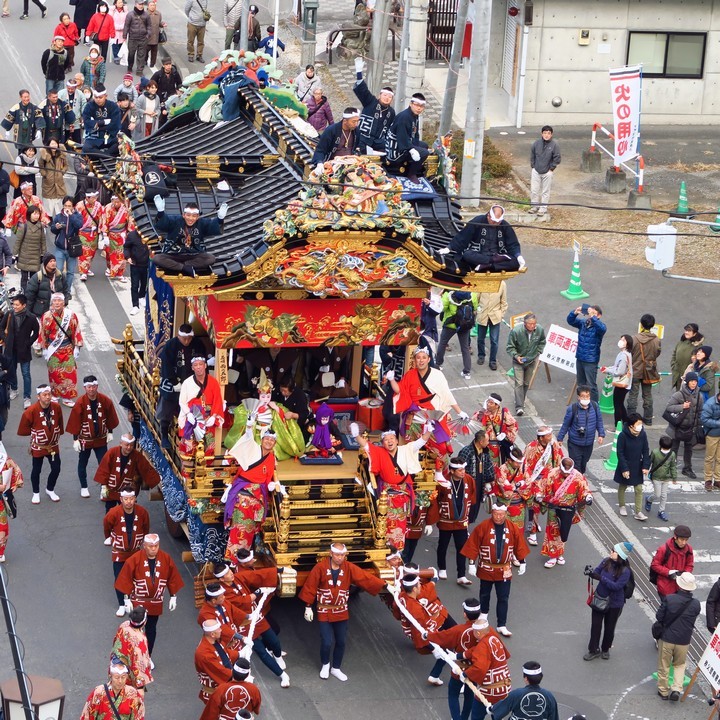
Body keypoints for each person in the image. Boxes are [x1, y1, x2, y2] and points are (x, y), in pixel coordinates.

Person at [299, 542, 386, 681]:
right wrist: (308, 606)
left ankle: (336, 668)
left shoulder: (348, 567)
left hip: (341, 610)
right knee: (326, 641)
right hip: (324, 609)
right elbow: (311, 586)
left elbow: (364, 577)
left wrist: (383, 584)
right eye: (338, 555)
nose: (340, 558)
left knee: (341, 641)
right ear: (331, 554)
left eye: (343, 555)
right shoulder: (320, 567)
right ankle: (325, 664)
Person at [353, 424, 430, 551]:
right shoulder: (379, 451)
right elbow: (366, 445)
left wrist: (429, 431)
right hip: (387, 494)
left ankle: (398, 550)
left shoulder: (406, 449)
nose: (389, 442)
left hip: (403, 492)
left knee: (401, 522)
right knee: (386, 522)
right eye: (386, 440)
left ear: (396, 440)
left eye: (392, 439)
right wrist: (356, 435)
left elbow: (420, 442)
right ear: (383, 443)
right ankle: (386, 548)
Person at [462, 502, 529, 637]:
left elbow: (519, 545)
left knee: (503, 597)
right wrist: (471, 563)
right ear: (492, 513)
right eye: (496, 514)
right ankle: (484, 615)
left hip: (504, 569)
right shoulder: (483, 527)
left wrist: (522, 562)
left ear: (505, 514)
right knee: (484, 594)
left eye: (501, 514)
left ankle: (501, 624)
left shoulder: (512, 527)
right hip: (486, 567)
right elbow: (473, 544)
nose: (498, 517)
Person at [115, 533, 183, 656]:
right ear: (144, 546)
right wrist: (126, 599)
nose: (153, 549)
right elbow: (125, 578)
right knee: (136, 629)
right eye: (150, 546)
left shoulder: (165, 558)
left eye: (156, 546)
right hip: (138, 600)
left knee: (151, 629)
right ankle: (134, 654)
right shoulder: (134, 559)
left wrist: (173, 596)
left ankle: (148, 655)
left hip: (156, 600)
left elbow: (172, 577)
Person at [395, 569, 456, 686]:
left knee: (447, 647)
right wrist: (433, 648)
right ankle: (436, 674)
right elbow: (420, 632)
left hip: (417, 627)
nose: (420, 587)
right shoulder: (415, 609)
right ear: (414, 589)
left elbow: (397, 611)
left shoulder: (402, 595)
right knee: (447, 648)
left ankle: (435, 674)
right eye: (418, 585)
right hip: (422, 631)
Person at [426, 597, 482, 720]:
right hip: (475, 667)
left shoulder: (458, 629)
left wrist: (427, 635)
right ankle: (464, 718)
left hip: (459, 667)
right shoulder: (486, 630)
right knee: (470, 694)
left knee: (453, 694)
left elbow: (442, 637)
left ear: (465, 614)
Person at [426, 457, 476, 586]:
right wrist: (431, 521)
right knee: (443, 545)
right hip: (446, 520)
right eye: (459, 470)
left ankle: (461, 575)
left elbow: (473, 496)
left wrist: (469, 514)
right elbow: (434, 500)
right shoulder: (442, 481)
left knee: (462, 548)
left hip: (461, 521)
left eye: (463, 469)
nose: (462, 472)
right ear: (452, 471)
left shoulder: (469, 480)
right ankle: (442, 568)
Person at [67, 375, 119, 497]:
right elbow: (75, 422)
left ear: (97, 386)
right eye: (89, 387)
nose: (91, 389)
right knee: (82, 463)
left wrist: (110, 432)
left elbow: (110, 416)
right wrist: (75, 440)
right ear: (85, 388)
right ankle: (84, 486)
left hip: (101, 439)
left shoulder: (105, 400)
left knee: (104, 464)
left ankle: (104, 487)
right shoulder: (80, 402)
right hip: (85, 439)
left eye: (94, 386)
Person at [156, 324, 207, 447]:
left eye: (189, 338)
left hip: (192, 383)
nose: (187, 341)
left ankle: (188, 437)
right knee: (167, 408)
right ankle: (164, 435)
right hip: (173, 383)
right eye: (184, 338)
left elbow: (202, 363)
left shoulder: (198, 344)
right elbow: (166, 364)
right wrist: (174, 382)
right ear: (178, 336)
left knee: (191, 410)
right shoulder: (171, 345)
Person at [583, 542, 634, 662]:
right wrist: (591, 573)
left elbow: (616, 587)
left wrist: (601, 578)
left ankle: (605, 649)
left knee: (609, 628)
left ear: (621, 555)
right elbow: (597, 572)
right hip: (600, 599)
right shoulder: (606, 561)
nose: (611, 552)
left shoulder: (626, 571)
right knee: (595, 626)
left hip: (615, 603)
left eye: (614, 551)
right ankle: (593, 650)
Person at [104, 486, 150, 616]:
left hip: (135, 550)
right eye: (126, 499)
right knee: (119, 578)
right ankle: (121, 604)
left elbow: (146, 528)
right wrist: (111, 538)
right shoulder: (114, 512)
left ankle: (134, 601)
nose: (128, 501)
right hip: (119, 551)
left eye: (131, 499)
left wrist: (143, 541)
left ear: (135, 499)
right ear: (121, 499)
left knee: (138, 577)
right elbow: (106, 526)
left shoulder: (142, 512)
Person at [537, 457, 591, 568]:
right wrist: (539, 495)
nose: (566, 475)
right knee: (552, 530)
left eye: (568, 473)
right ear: (560, 468)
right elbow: (541, 486)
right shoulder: (552, 473)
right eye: (564, 472)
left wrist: (588, 496)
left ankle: (560, 553)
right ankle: (552, 555)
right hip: (554, 507)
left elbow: (584, 490)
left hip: (568, 509)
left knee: (563, 531)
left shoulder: (578, 476)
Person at [656, 572, 701, 702]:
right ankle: (676, 688)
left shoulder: (669, 599)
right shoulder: (696, 604)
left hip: (667, 638)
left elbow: (659, 617)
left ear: (679, 584)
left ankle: (663, 691)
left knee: (664, 664)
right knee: (679, 665)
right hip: (684, 640)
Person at [152, 196, 224, 276]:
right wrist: (161, 212)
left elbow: (212, 225)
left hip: (193, 255)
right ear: (183, 215)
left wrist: (220, 219)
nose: (190, 218)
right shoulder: (175, 221)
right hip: (174, 254)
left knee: (211, 258)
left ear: (197, 217)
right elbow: (163, 224)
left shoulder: (202, 223)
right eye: (188, 215)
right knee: (157, 258)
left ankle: (183, 265)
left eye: (194, 216)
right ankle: (184, 268)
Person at [17, 383, 64, 504]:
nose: (48, 397)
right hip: (39, 446)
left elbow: (60, 422)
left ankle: (50, 489)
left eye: (49, 394)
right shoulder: (31, 410)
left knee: (56, 468)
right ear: (39, 396)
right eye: (44, 395)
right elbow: (23, 428)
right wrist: (35, 433)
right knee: (36, 470)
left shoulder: (56, 407)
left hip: (53, 446)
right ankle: (36, 492)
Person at [448, 205, 525, 273]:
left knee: (516, 262)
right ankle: (493, 262)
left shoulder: (505, 225)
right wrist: (449, 248)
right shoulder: (478, 221)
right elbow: (463, 236)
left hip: (498, 254)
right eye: (494, 221)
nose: (495, 223)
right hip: (480, 254)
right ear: (488, 215)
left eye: (498, 222)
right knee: (467, 255)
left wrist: (518, 256)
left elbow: (512, 244)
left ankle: (489, 266)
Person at [95, 433, 160, 512]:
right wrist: (103, 486)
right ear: (121, 443)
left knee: (127, 513)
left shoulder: (137, 456)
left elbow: (146, 469)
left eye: (131, 445)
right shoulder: (112, 452)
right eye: (127, 445)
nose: (129, 448)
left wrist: (158, 479)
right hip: (111, 489)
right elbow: (104, 468)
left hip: (128, 491)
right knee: (110, 511)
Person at [38, 292, 83, 407]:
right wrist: (44, 348)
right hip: (53, 349)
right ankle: (55, 395)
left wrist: (77, 347)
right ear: (51, 302)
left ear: (64, 303)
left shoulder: (71, 315)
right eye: (55, 301)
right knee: (54, 373)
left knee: (70, 373)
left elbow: (76, 330)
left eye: (59, 301)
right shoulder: (47, 316)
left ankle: (67, 397)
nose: (57, 303)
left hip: (67, 349)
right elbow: (42, 332)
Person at [522, 426, 564, 545]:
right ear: (541, 438)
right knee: (534, 507)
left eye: (551, 435)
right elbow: (525, 466)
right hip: (535, 482)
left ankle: (533, 524)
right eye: (548, 435)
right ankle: (533, 533)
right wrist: (531, 481)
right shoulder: (531, 447)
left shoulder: (554, 446)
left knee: (545, 507)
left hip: (549, 482)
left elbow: (559, 462)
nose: (551, 437)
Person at [462, 618, 511, 719]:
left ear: (478, 633)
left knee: (476, 715)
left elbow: (479, 668)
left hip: (490, 690)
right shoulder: (495, 639)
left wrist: (465, 674)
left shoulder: (483, 646)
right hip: (505, 686)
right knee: (496, 716)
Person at [178, 355, 224, 453]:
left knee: (209, 448)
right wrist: (188, 414)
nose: (198, 367)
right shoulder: (187, 382)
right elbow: (182, 401)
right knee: (189, 450)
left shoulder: (213, 382)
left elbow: (218, 401)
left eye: (201, 364)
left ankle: (207, 465)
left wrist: (214, 416)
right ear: (192, 367)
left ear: (205, 366)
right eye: (195, 365)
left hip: (208, 419)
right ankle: (188, 466)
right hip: (192, 418)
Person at [556, 385, 605, 473]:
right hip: (575, 443)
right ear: (579, 397)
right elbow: (566, 424)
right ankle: (576, 483)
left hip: (588, 443)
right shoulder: (573, 408)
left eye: (588, 396)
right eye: (583, 396)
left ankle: (579, 479)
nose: (586, 398)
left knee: (583, 464)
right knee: (576, 466)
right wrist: (560, 438)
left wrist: (601, 434)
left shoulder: (594, 406)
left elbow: (599, 421)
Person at [663, 372, 703, 479]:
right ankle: (671, 469)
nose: (693, 383)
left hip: (690, 428)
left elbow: (699, 413)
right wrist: (682, 406)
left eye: (695, 381)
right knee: (674, 449)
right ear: (687, 382)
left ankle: (687, 469)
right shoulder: (679, 394)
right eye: (691, 381)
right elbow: (668, 407)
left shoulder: (699, 396)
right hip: (677, 427)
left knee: (689, 449)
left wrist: (698, 427)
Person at [1, 294, 38, 410]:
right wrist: (5, 339)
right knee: (11, 371)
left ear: (24, 305)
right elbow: (1, 327)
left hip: (24, 350)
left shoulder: (31, 317)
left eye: (17, 305)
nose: (14, 307)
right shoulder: (9, 314)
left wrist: (29, 342)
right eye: (13, 304)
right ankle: (14, 389)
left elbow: (36, 332)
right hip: (10, 349)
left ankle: (27, 397)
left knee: (26, 374)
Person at [506, 313, 546, 416]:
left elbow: (542, 341)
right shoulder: (516, 331)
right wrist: (516, 356)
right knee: (519, 383)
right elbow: (510, 347)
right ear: (525, 324)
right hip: (518, 361)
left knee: (526, 383)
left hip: (531, 360)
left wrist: (538, 352)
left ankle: (521, 401)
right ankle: (519, 406)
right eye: (530, 324)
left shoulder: (539, 330)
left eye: (534, 324)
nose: (532, 326)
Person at [491, 660, 559, 720]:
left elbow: (497, 712)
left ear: (526, 678)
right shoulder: (549, 696)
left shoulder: (516, 694)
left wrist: (490, 709)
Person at [385, 93, 430, 184]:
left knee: (424, 146)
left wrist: (416, 146)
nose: (419, 108)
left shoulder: (415, 116)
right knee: (425, 153)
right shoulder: (404, 117)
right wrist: (412, 149)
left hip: (406, 141)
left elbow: (415, 134)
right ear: (411, 104)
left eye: (421, 106)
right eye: (416, 105)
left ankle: (412, 166)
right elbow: (402, 137)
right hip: (396, 148)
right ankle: (411, 174)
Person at [353, 59, 395, 152]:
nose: (386, 98)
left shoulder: (391, 112)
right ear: (379, 95)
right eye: (384, 95)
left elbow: (390, 128)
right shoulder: (371, 101)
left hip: (378, 142)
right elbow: (363, 90)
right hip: (363, 138)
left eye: (389, 97)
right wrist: (359, 73)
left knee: (390, 149)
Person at [613, 413, 650, 520]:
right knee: (623, 486)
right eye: (638, 424)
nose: (640, 426)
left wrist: (645, 466)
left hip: (637, 465)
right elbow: (620, 453)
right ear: (631, 425)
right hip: (625, 464)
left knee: (638, 488)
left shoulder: (642, 434)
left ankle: (638, 512)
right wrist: (624, 468)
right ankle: (622, 505)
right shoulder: (623, 436)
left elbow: (645, 450)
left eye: (641, 424)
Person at [434, 290, 478, 380]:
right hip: (464, 325)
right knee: (465, 347)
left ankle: (438, 364)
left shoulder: (448, 295)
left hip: (451, 324)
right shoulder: (472, 294)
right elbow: (475, 308)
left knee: (443, 343)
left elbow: (442, 308)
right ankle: (467, 371)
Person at [567, 304, 606, 403]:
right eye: (590, 312)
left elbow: (602, 329)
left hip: (591, 360)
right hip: (580, 357)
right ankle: (582, 403)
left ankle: (593, 406)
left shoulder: (599, 327)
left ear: (599, 316)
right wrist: (575, 312)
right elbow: (570, 321)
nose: (591, 315)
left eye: (594, 313)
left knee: (591, 386)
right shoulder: (583, 323)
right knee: (581, 384)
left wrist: (593, 317)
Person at [79, 661, 145, 720]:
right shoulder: (99, 692)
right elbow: (88, 715)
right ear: (110, 676)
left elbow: (138, 715)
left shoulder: (132, 693)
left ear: (127, 677)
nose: (120, 681)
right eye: (116, 677)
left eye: (123, 677)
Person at [627, 313, 661, 425]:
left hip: (635, 370)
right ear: (652, 325)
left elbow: (629, 353)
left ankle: (631, 418)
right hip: (649, 371)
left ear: (641, 324)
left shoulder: (634, 339)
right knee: (647, 395)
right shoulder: (656, 340)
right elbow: (657, 353)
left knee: (633, 395)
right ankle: (648, 418)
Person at [194, 619, 239, 703]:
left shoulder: (215, 641)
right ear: (212, 634)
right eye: (218, 629)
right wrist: (240, 676)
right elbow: (220, 671)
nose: (221, 630)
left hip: (224, 689)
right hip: (215, 695)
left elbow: (225, 653)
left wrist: (239, 654)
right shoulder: (204, 654)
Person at [111, 606, 153, 691]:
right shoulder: (141, 639)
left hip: (116, 663)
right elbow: (140, 662)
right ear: (144, 622)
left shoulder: (124, 624)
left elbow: (116, 640)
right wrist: (141, 686)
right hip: (128, 673)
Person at [459, 429, 496, 522]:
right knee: (467, 505)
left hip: (480, 483)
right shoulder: (466, 451)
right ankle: (464, 525)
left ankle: (468, 523)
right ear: (481, 441)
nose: (488, 443)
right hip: (468, 484)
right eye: (487, 441)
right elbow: (459, 469)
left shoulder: (484, 452)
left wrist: (488, 482)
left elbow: (488, 465)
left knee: (476, 505)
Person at [650, 524, 694, 599]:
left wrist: (685, 573)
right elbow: (654, 565)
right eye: (682, 539)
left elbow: (689, 564)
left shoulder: (689, 549)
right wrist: (668, 572)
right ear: (675, 537)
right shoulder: (663, 549)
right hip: (665, 587)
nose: (684, 543)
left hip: (681, 587)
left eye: (686, 540)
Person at [473, 393, 518, 467]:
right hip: (485, 444)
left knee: (498, 467)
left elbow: (514, 426)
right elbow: (474, 420)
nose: (488, 404)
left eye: (491, 403)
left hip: (499, 446)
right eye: (488, 402)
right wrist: (483, 409)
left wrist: (505, 434)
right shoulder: (485, 412)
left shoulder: (504, 412)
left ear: (497, 405)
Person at [50, 196, 82, 292]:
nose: (67, 208)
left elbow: (79, 225)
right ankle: (57, 289)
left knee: (70, 272)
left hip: (72, 248)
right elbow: (52, 229)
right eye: (65, 206)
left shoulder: (77, 216)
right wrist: (56, 227)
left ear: (73, 206)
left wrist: (71, 216)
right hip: (60, 247)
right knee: (58, 270)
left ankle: (67, 290)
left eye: (69, 206)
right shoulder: (59, 216)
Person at [600, 334, 634, 425]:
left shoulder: (623, 355)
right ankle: (626, 422)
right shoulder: (626, 353)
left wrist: (607, 370)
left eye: (623, 340)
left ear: (628, 343)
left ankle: (617, 425)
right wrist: (607, 369)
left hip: (621, 383)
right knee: (620, 403)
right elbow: (616, 367)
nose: (621, 341)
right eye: (621, 339)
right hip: (626, 382)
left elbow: (619, 371)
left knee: (617, 404)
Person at [13, 205, 46, 292]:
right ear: (29, 214)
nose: (36, 216)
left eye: (38, 214)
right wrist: (15, 255)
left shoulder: (41, 227)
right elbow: (18, 242)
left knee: (34, 279)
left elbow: (43, 241)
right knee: (24, 277)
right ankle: (23, 294)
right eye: (34, 214)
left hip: (35, 256)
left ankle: (31, 295)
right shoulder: (24, 227)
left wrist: (44, 254)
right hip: (24, 256)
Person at [82, 84, 122, 156]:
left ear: (105, 96)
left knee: (121, 144)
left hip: (110, 136)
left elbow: (115, 124)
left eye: (100, 97)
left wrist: (97, 124)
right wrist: (104, 122)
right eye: (96, 97)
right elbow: (87, 122)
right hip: (94, 138)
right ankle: (107, 155)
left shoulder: (113, 106)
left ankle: (102, 155)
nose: (98, 99)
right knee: (86, 148)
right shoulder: (89, 106)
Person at [25, 253, 69, 318]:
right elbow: (29, 297)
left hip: (58, 312)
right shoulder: (37, 277)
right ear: (45, 263)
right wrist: (28, 314)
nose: (53, 263)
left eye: (54, 261)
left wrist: (65, 302)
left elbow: (66, 291)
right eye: (50, 261)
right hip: (41, 313)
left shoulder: (60, 276)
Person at [475, 280, 507, 371]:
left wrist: (501, 314)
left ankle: (492, 361)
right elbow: (477, 298)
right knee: (480, 338)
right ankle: (481, 356)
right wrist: (477, 311)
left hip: (495, 316)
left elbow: (504, 302)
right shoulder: (482, 282)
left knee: (494, 340)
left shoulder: (502, 284)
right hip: (483, 315)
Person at [529, 125, 561, 216]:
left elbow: (557, 158)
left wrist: (551, 169)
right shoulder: (536, 143)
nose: (546, 135)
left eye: (548, 133)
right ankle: (534, 206)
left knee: (545, 191)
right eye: (545, 133)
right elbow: (532, 155)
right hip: (536, 170)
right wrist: (533, 166)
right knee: (534, 190)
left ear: (551, 134)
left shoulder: (554, 145)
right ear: (541, 134)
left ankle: (543, 208)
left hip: (547, 172)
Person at [644, 435, 677, 521]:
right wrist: (646, 469)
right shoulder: (655, 452)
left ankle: (661, 511)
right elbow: (649, 461)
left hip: (666, 478)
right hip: (656, 477)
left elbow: (673, 466)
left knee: (664, 495)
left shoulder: (672, 454)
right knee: (657, 495)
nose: (667, 450)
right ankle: (649, 499)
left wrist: (674, 477)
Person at [0, 443, 22, 563]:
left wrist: (14, 483)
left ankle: (0, 551)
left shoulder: (3, 458)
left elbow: (14, 467)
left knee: (2, 526)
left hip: (1, 500)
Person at [76, 189, 105, 281]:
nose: (95, 199)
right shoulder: (80, 206)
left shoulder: (98, 206)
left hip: (94, 233)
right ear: (87, 198)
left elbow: (102, 219)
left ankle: (87, 268)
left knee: (91, 253)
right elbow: (76, 219)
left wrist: (102, 232)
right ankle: (83, 272)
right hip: (83, 232)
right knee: (84, 253)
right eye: (93, 197)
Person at [102, 194, 133, 280]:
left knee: (122, 255)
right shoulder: (108, 208)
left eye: (118, 202)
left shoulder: (125, 208)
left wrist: (129, 233)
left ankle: (119, 274)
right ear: (112, 201)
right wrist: (105, 235)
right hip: (111, 234)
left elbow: (129, 220)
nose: (116, 204)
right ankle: (109, 268)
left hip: (121, 235)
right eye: (115, 202)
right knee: (109, 254)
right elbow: (104, 222)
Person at [39, 141, 69, 219]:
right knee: (48, 204)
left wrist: (62, 172)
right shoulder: (44, 156)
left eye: (55, 143)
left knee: (59, 204)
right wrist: (45, 175)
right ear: (48, 145)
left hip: (59, 183)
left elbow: (66, 165)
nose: (54, 145)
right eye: (52, 144)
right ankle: (48, 220)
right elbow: (40, 166)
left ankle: (58, 220)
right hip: (48, 184)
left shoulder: (61, 155)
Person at [670, 323, 704, 391]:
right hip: (678, 374)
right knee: (679, 396)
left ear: (694, 333)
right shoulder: (681, 342)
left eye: (689, 331)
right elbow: (674, 354)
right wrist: (673, 365)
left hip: (689, 377)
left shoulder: (698, 346)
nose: (686, 332)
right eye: (685, 330)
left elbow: (700, 362)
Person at [151, 58, 183, 127]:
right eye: (167, 64)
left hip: (172, 95)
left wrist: (179, 91)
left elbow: (179, 83)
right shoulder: (158, 74)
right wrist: (154, 92)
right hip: (160, 97)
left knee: (172, 113)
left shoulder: (175, 73)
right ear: (163, 66)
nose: (169, 66)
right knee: (162, 114)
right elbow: (151, 84)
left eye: (170, 64)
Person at [123, 229, 149, 314]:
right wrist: (127, 257)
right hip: (135, 264)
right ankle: (135, 305)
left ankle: (141, 296)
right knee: (134, 285)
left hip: (146, 264)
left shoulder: (148, 233)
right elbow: (126, 247)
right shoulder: (131, 235)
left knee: (144, 283)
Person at [124, 0, 150, 74]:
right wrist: (124, 35)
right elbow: (126, 26)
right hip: (132, 38)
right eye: (139, 4)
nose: (141, 6)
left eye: (142, 4)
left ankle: (139, 70)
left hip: (143, 38)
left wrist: (148, 35)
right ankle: (129, 67)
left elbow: (149, 26)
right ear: (135, 5)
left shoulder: (146, 15)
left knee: (141, 55)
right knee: (131, 54)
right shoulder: (130, 15)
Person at [701, 390, 720, 492]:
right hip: (712, 434)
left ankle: (717, 479)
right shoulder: (710, 403)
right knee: (710, 458)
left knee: (719, 458)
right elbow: (704, 420)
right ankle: (708, 479)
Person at [58, 78, 86, 145]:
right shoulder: (61, 93)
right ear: (66, 86)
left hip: (76, 122)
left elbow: (84, 105)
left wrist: (84, 117)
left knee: (77, 142)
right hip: (64, 122)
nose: (70, 90)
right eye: (69, 88)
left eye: (72, 89)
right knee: (64, 142)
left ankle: (77, 154)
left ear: (76, 87)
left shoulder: (80, 94)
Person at [144, 0, 164, 68]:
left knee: (154, 52)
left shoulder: (158, 14)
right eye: (151, 5)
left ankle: (153, 63)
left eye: (154, 5)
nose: (152, 7)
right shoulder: (145, 14)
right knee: (145, 51)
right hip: (147, 37)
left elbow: (159, 23)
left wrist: (162, 24)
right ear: (148, 6)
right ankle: (144, 61)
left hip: (155, 36)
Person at [109, 0, 128, 64]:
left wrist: (122, 26)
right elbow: (110, 19)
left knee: (121, 43)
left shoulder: (125, 11)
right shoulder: (112, 11)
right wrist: (116, 27)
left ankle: (120, 55)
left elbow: (127, 20)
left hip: (123, 30)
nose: (121, 4)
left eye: (121, 2)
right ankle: (116, 57)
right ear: (115, 4)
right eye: (119, 2)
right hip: (114, 30)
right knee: (115, 44)